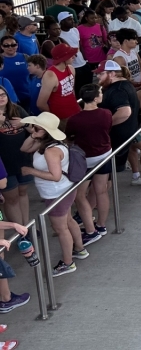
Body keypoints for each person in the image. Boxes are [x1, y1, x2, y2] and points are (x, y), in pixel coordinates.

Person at [20, 112, 85, 278]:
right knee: (68, 221)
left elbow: (55, 176)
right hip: (65, 190)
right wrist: (34, 134)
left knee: (60, 228)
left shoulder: (50, 151)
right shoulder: (51, 144)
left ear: (46, 131)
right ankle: (79, 248)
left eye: (37, 127)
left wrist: (30, 171)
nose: (32, 129)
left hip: (56, 193)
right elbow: (24, 148)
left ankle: (67, 263)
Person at [97, 61, 141, 189]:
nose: (98, 77)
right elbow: (134, 113)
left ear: (112, 74)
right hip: (128, 130)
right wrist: (105, 125)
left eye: (101, 74)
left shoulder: (122, 89)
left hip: (130, 129)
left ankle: (137, 176)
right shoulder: (136, 91)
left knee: (135, 149)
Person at [65, 84, 113, 238]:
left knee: (80, 195)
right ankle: (101, 225)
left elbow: (69, 136)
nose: (102, 94)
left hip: (85, 159)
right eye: (100, 92)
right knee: (102, 191)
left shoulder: (74, 119)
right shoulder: (106, 114)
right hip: (104, 155)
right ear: (95, 98)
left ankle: (90, 229)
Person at [0, 85, 31, 233]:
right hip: (4, 165)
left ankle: (26, 227)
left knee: (23, 193)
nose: (1, 97)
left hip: (23, 159)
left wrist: (24, 123)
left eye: (3, 94)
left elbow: (36, 130)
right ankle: (21, 232)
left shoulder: (17, 109)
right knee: (11, 198)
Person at [37, 44, 81, 122]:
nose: (74, 56)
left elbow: (72, 91)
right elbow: (41, 104)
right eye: (70, 55)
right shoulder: (50, 75)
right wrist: (54, 118)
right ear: (63, 58)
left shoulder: (71, 68)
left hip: (75, 112)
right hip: (61, 117)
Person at [0, 37, 31, 109]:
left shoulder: (25, 57)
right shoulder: (0, 59)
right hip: (5, 99)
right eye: (6, 45)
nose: (10, 47)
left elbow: (33, 74)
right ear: (2, 47)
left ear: (17, 45)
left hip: (26, 96)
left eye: (13, 45)